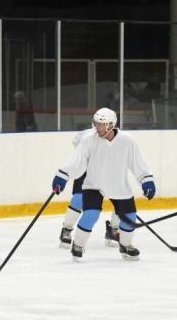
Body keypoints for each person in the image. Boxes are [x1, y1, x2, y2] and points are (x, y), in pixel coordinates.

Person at [51, 107, 156, 261]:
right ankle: (78, 245)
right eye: (96, 123)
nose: (97, 127)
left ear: (111, 125)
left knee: (129, 217)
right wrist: (63, 176)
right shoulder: (89, 139)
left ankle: (125, 245)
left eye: (101, 124)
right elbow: (77, 161)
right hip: (94, 184)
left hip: (118, 184)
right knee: (91, 214)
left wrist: (146, 180)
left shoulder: (127, 140)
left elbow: (137, 163)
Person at [58, 126, 122, 249]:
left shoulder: (118, 136)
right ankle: (66, 229)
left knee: (121, 199)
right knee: (78, 199)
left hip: (107, 170)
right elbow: (77, 152)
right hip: (86, 171)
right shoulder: (86, 135)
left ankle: (113, 230)